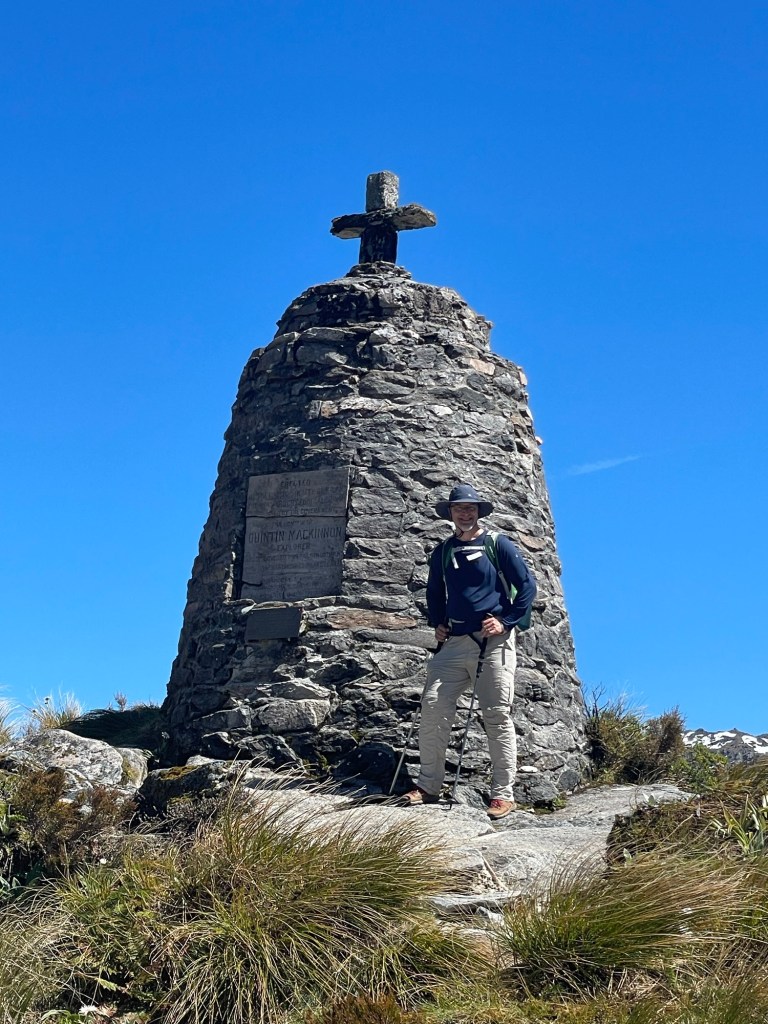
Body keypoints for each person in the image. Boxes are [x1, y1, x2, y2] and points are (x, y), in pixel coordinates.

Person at [403, 483, 537, 819]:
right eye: (459, 508)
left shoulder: (497, 544)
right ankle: (428, 787)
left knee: (496, 714)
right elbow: (435, 591)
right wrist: (437, 622)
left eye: (471, 508)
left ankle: (502, 796)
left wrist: (506, 621)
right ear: (450, 513)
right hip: (454, 642)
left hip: (493, 642)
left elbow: (527, 586)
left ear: (478, 512)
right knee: (432, 707)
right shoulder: (443, 551)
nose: (465, 513)